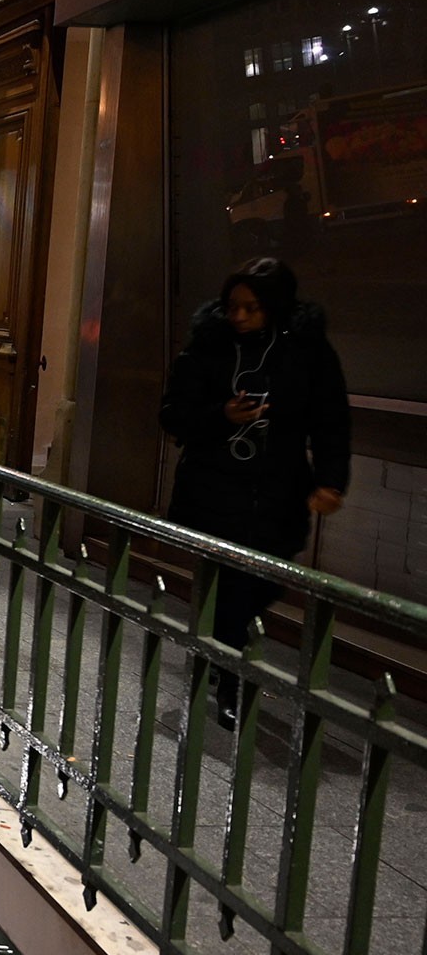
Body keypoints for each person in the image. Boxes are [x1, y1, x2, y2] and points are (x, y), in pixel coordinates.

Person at [160, 256, 349, 728]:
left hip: (278, 492)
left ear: (277, 307)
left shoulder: (307, 352)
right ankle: (231, 677)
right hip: (213, 487)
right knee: (227, 582)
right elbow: (173, 414)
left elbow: (331, 419)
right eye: (232, 307)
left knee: (262, 582)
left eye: (252, 308)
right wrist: (220, 415)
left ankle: (219, 652)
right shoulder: (208, 346)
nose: (239, 316)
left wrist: (330, 479)